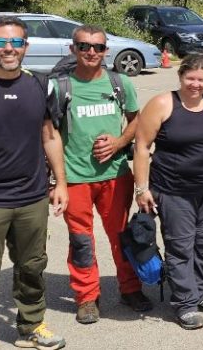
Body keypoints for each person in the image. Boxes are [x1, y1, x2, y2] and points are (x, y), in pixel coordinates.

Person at [0, 15, 69, 350]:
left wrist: (61, 182)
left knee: (32, 267)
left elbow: (49, 136)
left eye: (16, 42)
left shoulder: (40, 85)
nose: (9, 48)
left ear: (26, 46)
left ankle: (31, 325)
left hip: (32, 196)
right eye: (0, 42)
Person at [53, 24, 151, 324]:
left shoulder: (119, 83)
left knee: (122, 236)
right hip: (76, 178)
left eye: (97, 47)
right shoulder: (60, 87)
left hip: (116, 174)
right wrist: (56, 180)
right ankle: (87, 297)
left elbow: (138, 120)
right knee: (81, 241)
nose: (91, 52)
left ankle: (130, 288)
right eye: (83, 46)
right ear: (73, 50)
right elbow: (50, 134)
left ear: (106, 50)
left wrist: (120, 142)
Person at [133, 54, 203, 329]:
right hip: (173, 190)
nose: (196, 84)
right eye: (190, 78)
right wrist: (142, 189)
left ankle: (201, 292)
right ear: (180, 77)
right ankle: (185, 303)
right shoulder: (163, 104)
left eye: (202, 80)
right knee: (180, 247)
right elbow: (141, 147)